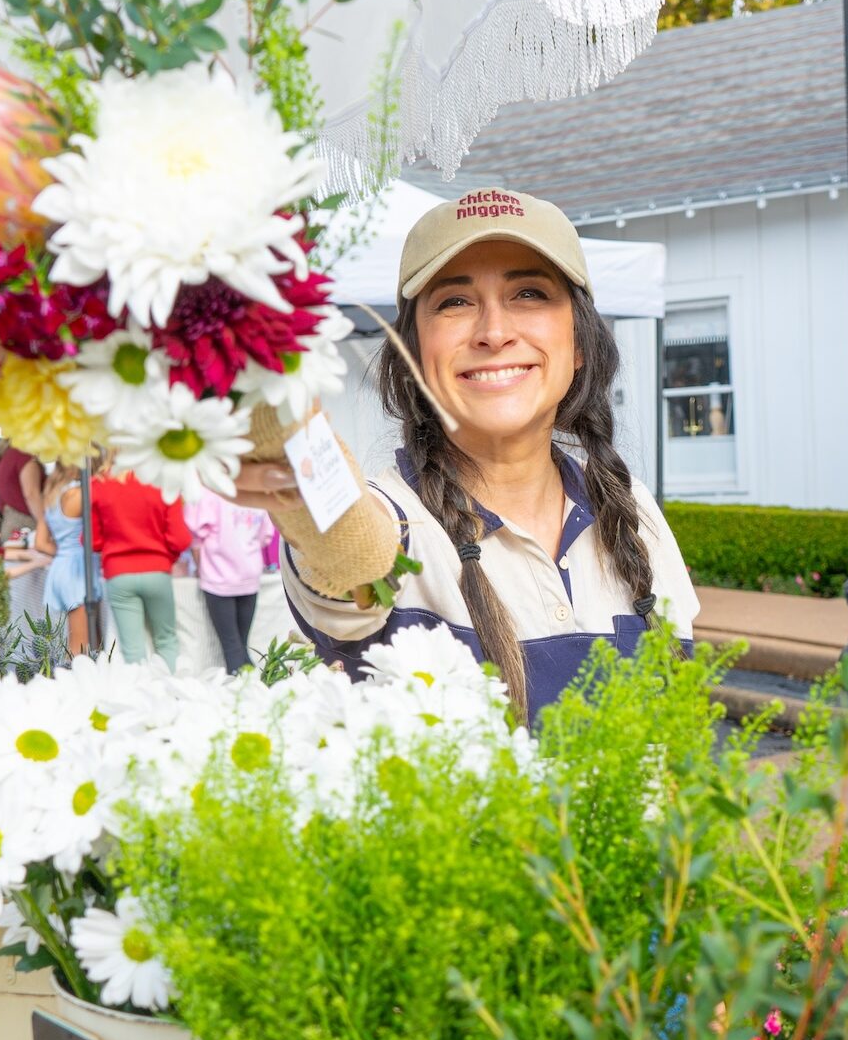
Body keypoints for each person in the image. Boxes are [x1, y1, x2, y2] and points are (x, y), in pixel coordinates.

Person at [234, 189, 700, 724]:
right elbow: (348, 552)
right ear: (411, 355)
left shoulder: (632, 510)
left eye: (529, 293)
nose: (495, 333)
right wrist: (295, 455)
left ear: (581, 346)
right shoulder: (394, 521)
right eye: (455, 302)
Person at [90, 468, 190, 671]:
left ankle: (140, 698)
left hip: (118, 573)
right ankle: (171, 695)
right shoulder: (163, 480)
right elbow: (181, 538)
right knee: (166, 641)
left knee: (132, 649)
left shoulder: (99, 483)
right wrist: (167, 557)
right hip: (157, 570)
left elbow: (92, 540)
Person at [184, 487, 271, 672]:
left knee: (232, 647)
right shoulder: (256, 493)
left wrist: (200, 565)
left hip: (218, 576)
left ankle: (244, 692)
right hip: (249, 574)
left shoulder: (210, 493)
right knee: (241, 645)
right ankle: (256, 687)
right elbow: (265, 536)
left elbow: (195, 532)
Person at [34, 462, 101, 655]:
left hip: (62, 566)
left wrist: (64, 552)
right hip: (78, 570)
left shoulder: (52, 496)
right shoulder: (79, 494)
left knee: (90, 641)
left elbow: (40, 543)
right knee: (79, 647)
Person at [0, 442, 46, 544]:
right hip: (25, 523)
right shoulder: (24, 455)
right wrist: (46, 526)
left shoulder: (7, 454)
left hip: (9, 523)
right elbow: (31, 494)